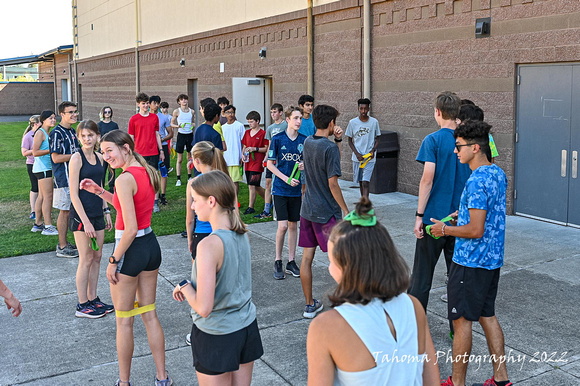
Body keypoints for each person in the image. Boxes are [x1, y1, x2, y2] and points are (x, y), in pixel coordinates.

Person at [306, 198, 440, 385]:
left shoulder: (325, 327)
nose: (329, 269)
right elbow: (432, 381)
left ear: (348, 268)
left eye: (331, 261)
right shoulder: (413, 305)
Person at [80, 130, 171, 386]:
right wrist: (100, 192)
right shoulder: (145, 172)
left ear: (126, 149)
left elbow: (129, 228)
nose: (106, 156)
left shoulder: (123, 179)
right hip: (150, 246)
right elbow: (127, 206)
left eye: (110, 150)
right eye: (103, 151)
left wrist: (112, 261)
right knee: (149, 313)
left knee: (124, 323)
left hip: (129, 250)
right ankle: (162, 378)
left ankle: (123, 382)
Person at [431, 121, 511, 386]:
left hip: (470, 262)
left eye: (459, 147)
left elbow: (476, 229)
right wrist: (460, 215)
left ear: (475, 147)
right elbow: (486, 216)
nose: (456, 152)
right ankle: (501, 379)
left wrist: (445, 230)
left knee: (461, 321)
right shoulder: (498, 173)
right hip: (491, 261)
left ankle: (456, 382)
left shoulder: (476, 180)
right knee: (487, 315)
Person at [173, 170, 263, 384]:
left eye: (195, 200)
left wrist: (184, 285)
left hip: (216, 335)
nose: (192, 206)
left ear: (211, 201)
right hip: (246, 327)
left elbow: (203, 307)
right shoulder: (242, 234)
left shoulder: (208, 245)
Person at [408, 91, 471, 310]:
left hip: (434, 218)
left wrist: (419, 216)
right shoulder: (467, 142)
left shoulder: (432, 140)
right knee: (458, 277)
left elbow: (427, 179)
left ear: (437, 112)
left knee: (421, 276)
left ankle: (415, 328)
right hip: (461, 220)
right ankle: (458, 329)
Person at [299, 104, 349, 319]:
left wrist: (337, 140)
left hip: (307, 209)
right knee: (339, 261)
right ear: (331, 123)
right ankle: (348, 304)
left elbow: (330, 162)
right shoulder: (328, 148)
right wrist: (345, 210)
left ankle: (309, 305)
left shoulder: (307, 141)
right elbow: (333, 182)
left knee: (306, 259)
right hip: (326, 213)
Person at [183, 140, 229, 346]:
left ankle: (198, 328)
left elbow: (190, 216)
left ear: (196, 160)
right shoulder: (224, 180)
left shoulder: (194, 184)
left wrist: (190, 239)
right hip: (224, 235)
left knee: (199, 285)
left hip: (203, 236)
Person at [69, 120, 114, 319]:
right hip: (81, 216)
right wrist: (85, 222)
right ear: (79, 138)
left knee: (97, 257)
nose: (87, 139)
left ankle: (93, 298)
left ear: (97, 136)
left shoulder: (100, 157)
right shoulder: (76, 159)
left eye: (91, 135)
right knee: (86, 259)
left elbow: (101, 187)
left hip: (97, 213)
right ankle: (82, 305)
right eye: (83, 136)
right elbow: (73, 194)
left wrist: (106, 211)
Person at [267, 106, 306, 280]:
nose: (298, 121)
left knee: (293, 225)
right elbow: (269, 164)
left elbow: (307, 162)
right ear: (288, 120)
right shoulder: (277, 139)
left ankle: (291, 261)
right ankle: (278, 261)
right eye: (296, 118)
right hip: (280, 189)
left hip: (296, 191)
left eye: (300, 118)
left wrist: (305, 166)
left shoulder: (305, 140)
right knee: (282, 226)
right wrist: (286, 179)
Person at [49, 102, 81, 258]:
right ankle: (62, 246)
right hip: (64, 179)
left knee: (73, 211)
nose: (74, 115)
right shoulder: (56, 133)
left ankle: (71, 242)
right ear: (62, 114)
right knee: (65, 211)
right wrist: (77, 156)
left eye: (75, 112)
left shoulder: (73, 131)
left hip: (75, 178)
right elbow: (55, 158)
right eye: (71, 112)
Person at [128, 92, 164, 213]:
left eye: (147, 103)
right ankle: (140, 202)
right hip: (139, 153)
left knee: (154, 177)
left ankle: (155, 202)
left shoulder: (154, 117)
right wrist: (130, 152)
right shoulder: (133, 119)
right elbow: (131, 137)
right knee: (139, 178)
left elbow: (157, 135)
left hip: (153, 152)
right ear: (138, 104)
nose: (146, 106)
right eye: (143, 103)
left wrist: (161, 151)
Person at [254, 103, 287, 219]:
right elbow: (269, 145)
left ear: (280, 113)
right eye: (271, 112)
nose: (273, 114)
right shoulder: (270, 128)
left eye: (275, 112)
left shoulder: (286, 125)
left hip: (282, 159)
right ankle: (267, 209)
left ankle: (281, 208)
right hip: (272, 159)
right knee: (268, 183)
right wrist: (266, 157)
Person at [345, 98, 381, 199]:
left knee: (366, 182)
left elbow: (378, 138)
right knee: (361, 182)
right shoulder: (352, 123)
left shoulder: (374, 122)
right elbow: (349, 140)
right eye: (361, 109)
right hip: (358, 158)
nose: (363, 111)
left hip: (369, 158)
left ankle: (365, 205)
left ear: (368, 109)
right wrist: (357, 154)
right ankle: (363, 200)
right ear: (358, 109)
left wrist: (373, 150)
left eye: (365, 109)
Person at [31, 111, 58, 236]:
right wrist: (51, 150)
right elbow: (35, 152)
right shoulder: (40, 133)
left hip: (45, 168)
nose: (53, 120)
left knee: (42, 196)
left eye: (54, 118)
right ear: (43, 120)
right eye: (50, 118)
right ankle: (48, 226)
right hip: (43, 168)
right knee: (48, 197)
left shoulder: (49, 132)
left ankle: (38, 224)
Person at [241, 111, 267, 215]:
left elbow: (265, 148)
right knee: (254, 185)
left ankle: (250, 207)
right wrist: (243, 154)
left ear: (257, 121)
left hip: (257, 163)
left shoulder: (263, 134)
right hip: (248, 162)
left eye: (251, 122)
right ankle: (268, 200)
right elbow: (244, 146)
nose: (250, 124)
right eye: (248, 122)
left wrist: (255, 149)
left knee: (252, 185)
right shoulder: (247, 133)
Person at [150, 96, 173, 205]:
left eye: (158, 103)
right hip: (150, 148)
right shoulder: (147, 117)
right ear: (149, 104)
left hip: (162, 146)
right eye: (154, 103)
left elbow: (170, 133)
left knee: (163, 172)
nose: (157, 105)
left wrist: (162, 139)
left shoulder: (163, 118)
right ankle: (153, 195)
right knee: (151, 172)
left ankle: (163, 196)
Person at [222, 105, 245, 197]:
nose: (230, 114)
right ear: (224, 114)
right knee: (226, 181)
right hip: (225, 158)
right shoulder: (222, 127)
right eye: (228, 112)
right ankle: (227, 200)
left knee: (235, 181)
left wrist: (242, 155)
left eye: (232, 112)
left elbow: (244, 142)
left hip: (236, 158)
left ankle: (235, 201)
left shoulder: (239, 126)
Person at [172, 94, 195, 186]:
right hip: (181, 135)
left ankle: (189, 177)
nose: (184, 101)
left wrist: (193, 125)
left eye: (185, 99)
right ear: (179, 102)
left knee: (189, 157)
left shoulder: (192, 111)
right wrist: (178, 126)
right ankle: (178, 179)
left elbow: (193, 122)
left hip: (189, 135)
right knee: (180, 159)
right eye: (182, 100)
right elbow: (172, 123)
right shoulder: (176, 111)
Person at [21, 115, 40, 220]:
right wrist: (36, 151)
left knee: (43, 189)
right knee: (35, 187)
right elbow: (24, 152)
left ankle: (41, 209)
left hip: (43, 164)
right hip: (32, 164)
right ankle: (33, 211)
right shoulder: (28, 136)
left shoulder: (43, 134)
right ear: (36, 124)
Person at [97, 106, 120, 193]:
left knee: (112, 170)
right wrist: (104, 146)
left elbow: (116, 137)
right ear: (103, 113)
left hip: (112, 151)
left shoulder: (114, 125)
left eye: (109, 112)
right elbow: (98, 138)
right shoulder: (99, 125)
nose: (107, 114)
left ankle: (111, 188)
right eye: (105, 112)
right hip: (102, 151)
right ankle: (101, 188)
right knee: (102, 170)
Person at [159, 101, 174, 174]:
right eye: (161, 108)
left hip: (166, 138)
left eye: (164, 108)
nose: (163, 109)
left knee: (167, 153)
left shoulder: (169, 117)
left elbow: (171, 130)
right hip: (160, 138)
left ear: (167, 108)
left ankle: (167, 168)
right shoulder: (158, 117)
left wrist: (171, 141)